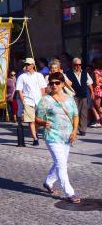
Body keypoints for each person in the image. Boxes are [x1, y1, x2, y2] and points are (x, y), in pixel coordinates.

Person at [35, 72, 81, 204]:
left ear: (62, 84)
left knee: (60, 163)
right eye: (51, 83)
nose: (54, 85)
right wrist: (43, 122)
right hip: (52, 136)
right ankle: (70, 193)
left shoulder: (69, 98)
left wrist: (74, 131)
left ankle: (48, 182)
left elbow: (75, 116)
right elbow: (36, 119)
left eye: (57, 83)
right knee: (62, 165)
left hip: (67, 136)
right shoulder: (45, 100)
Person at [16, 58, 47, 146]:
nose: (27, 66)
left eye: (29, 64)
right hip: (28, 101)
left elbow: (43, 88)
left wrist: (43, 99)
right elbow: (19, 90)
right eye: (26, 64)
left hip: (39, 100)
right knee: (31, 120)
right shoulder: (22, 76)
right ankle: (35, 138)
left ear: (33, 65)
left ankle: (35, 132)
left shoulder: (39, 75)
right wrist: (23, 102)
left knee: (38, 120)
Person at [65, 58, 94, 136]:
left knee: (83, 113)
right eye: (76, 65)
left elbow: (89, 83)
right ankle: (73, 128)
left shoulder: (85, 72)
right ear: (73, 65)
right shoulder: (68, 73)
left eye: (79, 64)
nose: (78, 66)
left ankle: (82, 129)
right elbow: (66, 84)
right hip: (73, 96)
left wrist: (92, 92)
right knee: (74, 113)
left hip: (83, 95)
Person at [91, 58, 102, 127]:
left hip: (97, 90)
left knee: (97, 106)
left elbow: (97, 82)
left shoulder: (96, 72)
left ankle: (99, 121)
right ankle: (99, 120)